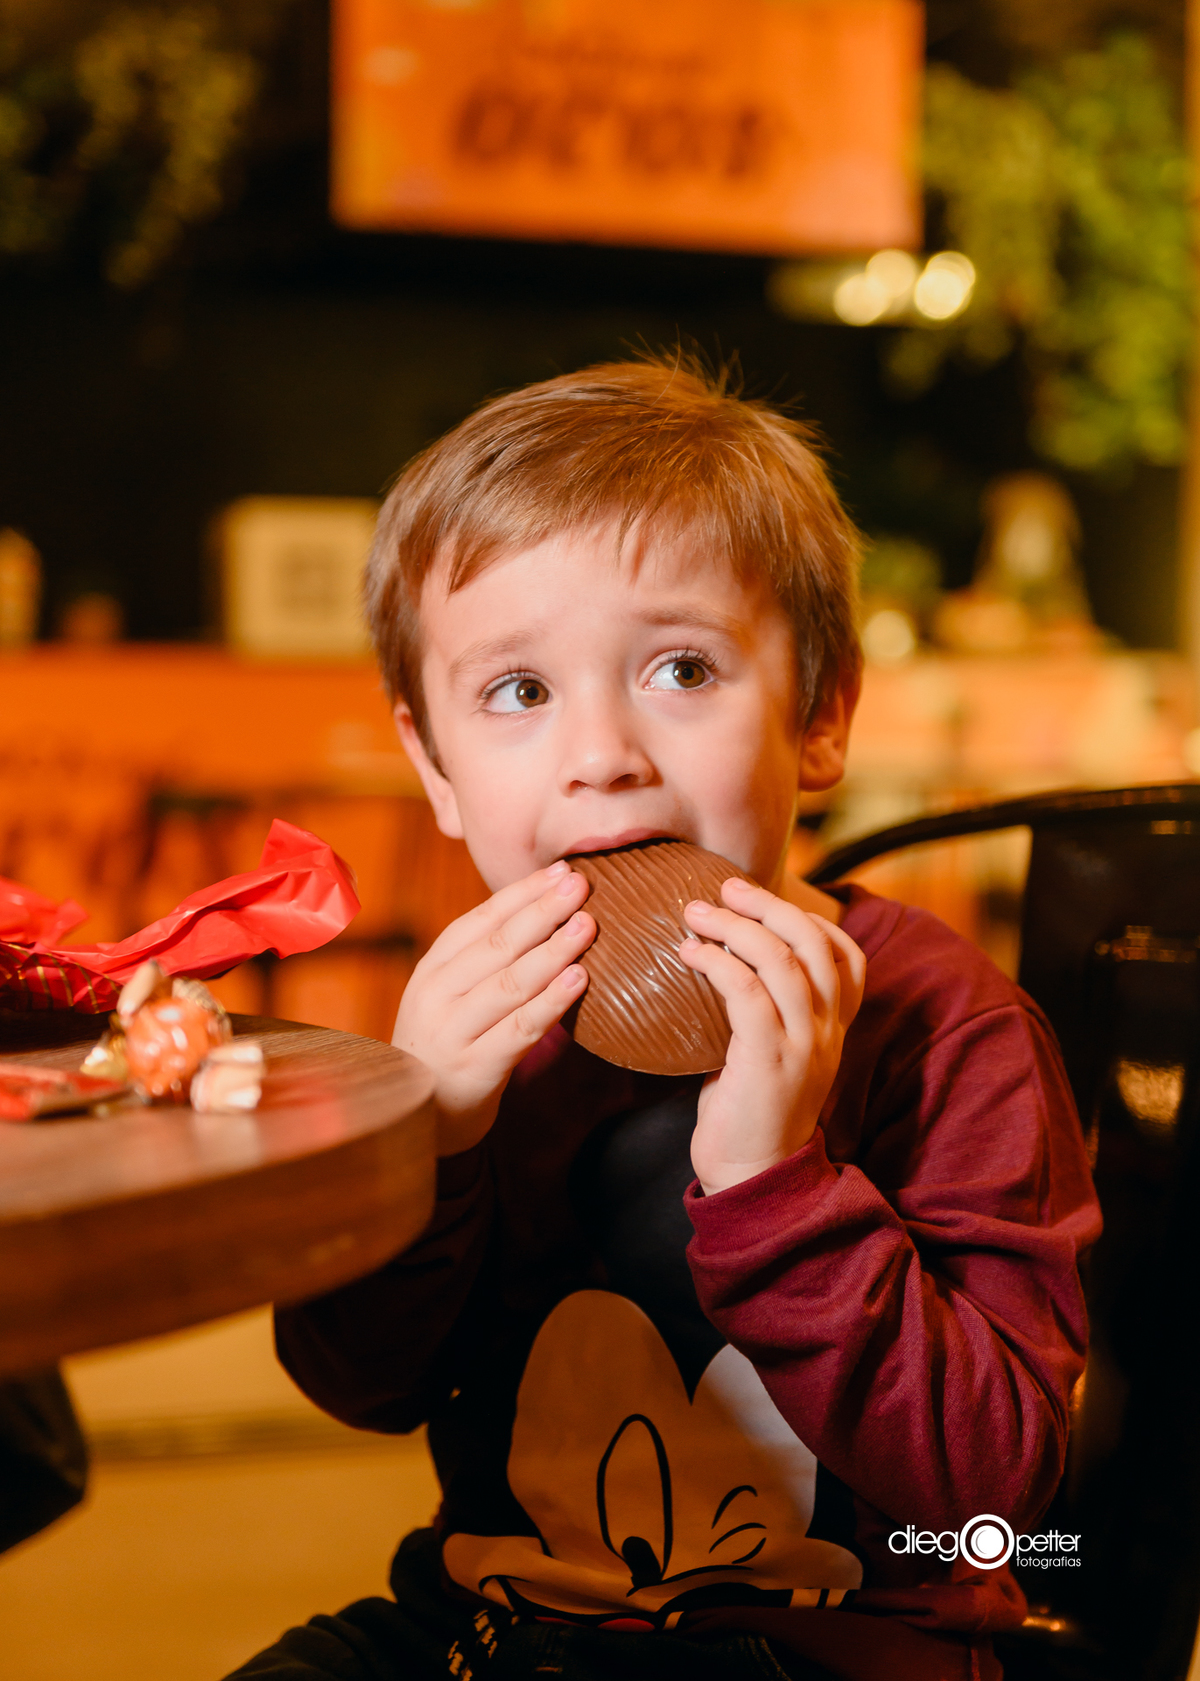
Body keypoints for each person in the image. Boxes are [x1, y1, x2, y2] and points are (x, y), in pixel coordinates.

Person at [226, 357, 1100, 1681]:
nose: (601, 756)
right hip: (491, 1625)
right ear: (436, 768)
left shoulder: (946, 1026)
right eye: (519, 692)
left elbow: (997, 1493)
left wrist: (774, 1181)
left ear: (820, 714)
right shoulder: (482, 1043)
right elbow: (361, 1383)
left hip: (835, 1650)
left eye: (681, 668)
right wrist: (428, 1140)